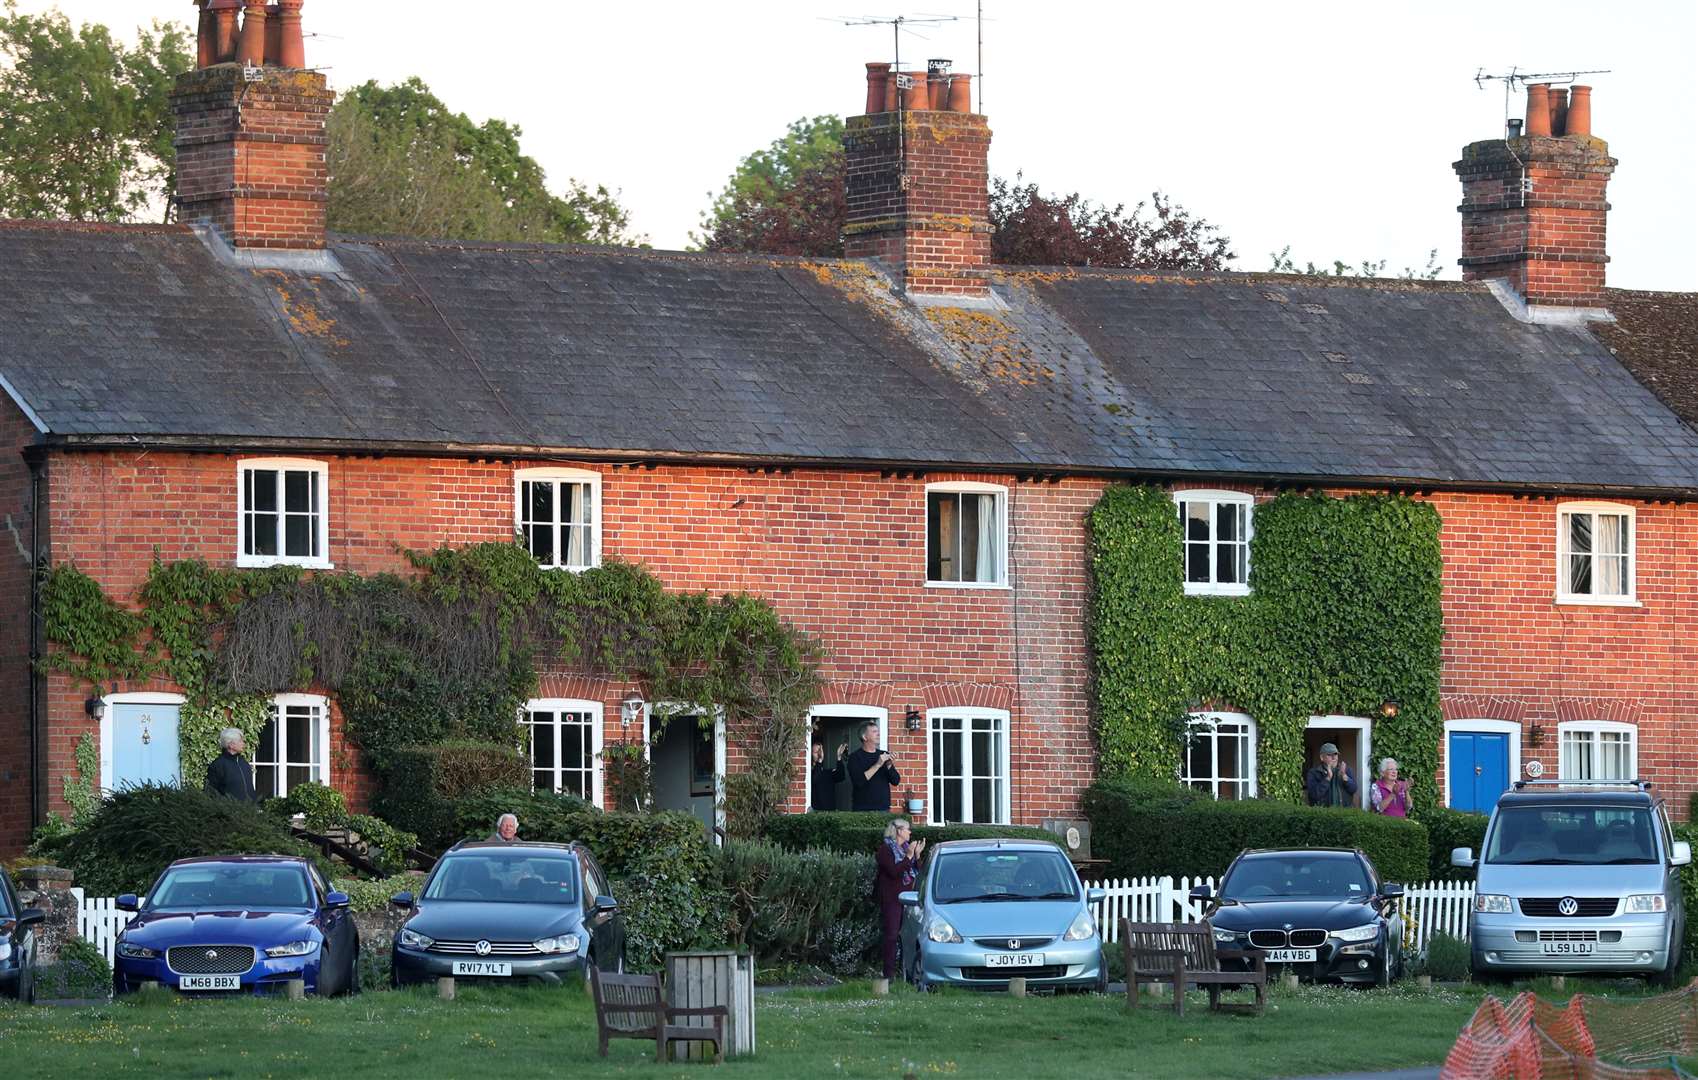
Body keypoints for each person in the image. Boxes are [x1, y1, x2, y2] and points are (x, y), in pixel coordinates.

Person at [874, 818, 925, 981]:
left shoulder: (905, 849)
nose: (910, 832)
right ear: (898, 831)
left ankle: (907, 973)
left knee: (909, 936)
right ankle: (888, 975)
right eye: (907, 829)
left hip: (909, 899)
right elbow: (894, 872)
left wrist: (916, 856)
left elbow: (918, 873)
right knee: (892, 936)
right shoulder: (886, 850)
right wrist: (909, 856)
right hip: (892, 899)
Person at [846, 722, 901, 811]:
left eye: (878, 731)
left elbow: (896, 781)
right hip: (862, 809)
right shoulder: (855, 757)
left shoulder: (884, 754)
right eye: (874, 731)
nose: (878, 734)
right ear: (864, 737)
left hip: (883, 809)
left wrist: (889, 765)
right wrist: (878, 764)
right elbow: (858, 782)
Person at [204, 726, 258, 803]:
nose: (243, 744)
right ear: (231, 745)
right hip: (229, 812)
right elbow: (211, 794)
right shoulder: (218, 765)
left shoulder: (244, 763)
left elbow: (250, 789)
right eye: (240, 741)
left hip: (249, 812)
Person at [1305, 742, 1358, 808]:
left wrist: (1344, 776)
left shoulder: (1346, 770)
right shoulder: (1314, 773)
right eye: (1329, 755)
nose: (1333, 758)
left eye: (1335, 754)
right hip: (1323, 814)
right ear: (1322, 757)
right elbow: (1314, 795)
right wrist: (1328, 778)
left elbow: (1354, 789)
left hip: (1345, 814)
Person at [809, 740, 847, 812]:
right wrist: (819, 761)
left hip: (830, 812)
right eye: (816, 752)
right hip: (815, 812)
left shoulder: (828, 772)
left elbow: (841, 776)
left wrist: (839, 757)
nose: (819, 754)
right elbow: (816, 779)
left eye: (820, 752)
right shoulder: (809, 773)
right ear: (810, 754)